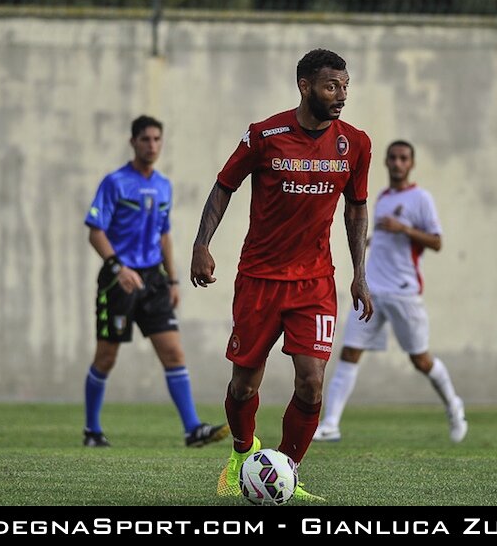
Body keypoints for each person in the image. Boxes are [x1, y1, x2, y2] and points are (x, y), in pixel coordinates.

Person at [190, 49, 374, 502]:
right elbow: (224, 185)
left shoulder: (356, 143)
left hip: (314, 283)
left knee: (312, 382)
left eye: (346, 86)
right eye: (332, 86)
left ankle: (286, 473)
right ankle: (240, 454)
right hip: (259, 279)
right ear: (305, 86)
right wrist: (201, 244)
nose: (341, 96)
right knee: (243, 385)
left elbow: (356, 207)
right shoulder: (265, 135)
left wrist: (359, 274)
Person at [82, 115, 228, 448]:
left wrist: (173, 279)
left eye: (157, 139)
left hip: (154, 280)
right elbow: (95, 231)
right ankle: (91, 430)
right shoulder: (115, 182)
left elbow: (164, 235)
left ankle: (193, 429)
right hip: (119, 280)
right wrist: (118, 267)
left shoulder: (164, 185)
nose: (152, 145)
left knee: (174, 353)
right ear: (133, 142)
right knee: (106, 357)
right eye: (145, 139)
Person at [313, 140, 468, 444]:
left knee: (420, 360)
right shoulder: (382, 197)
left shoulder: (420, 198)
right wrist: (375, 242)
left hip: (403, 292)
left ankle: (454, 405)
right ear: (385, 162)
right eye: (393, 158)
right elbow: (386, 236)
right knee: (349, 352)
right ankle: (330, 424)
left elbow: (436, 242)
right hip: (373, 290)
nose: (397, 163)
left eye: (403, 159)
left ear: (411, 164)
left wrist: (404, 229)